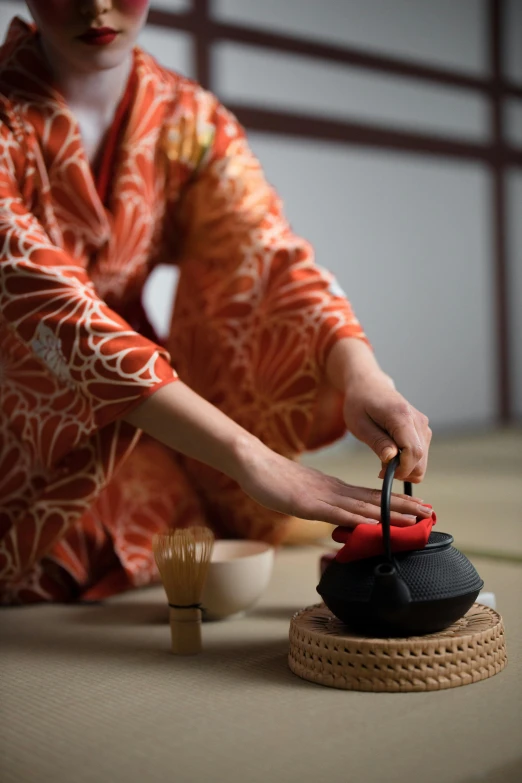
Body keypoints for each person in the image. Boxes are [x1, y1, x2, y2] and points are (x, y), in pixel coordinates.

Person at [0, 0, 432, 604]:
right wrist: (250, 457)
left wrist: (364, 375)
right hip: (23, 396)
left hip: (144, 395)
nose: (96, 4)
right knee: (60, 549)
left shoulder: (188, 118)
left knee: (194, 521)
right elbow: (39, 298)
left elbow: (266, 254)